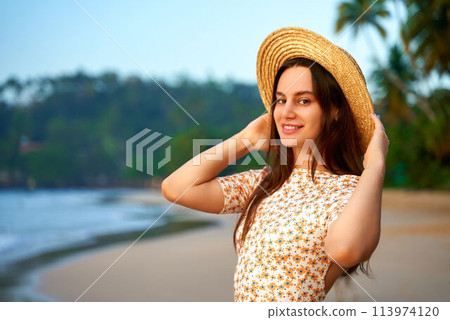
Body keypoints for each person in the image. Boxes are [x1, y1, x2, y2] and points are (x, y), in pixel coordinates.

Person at [161, 27, 389, 302]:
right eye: (281, 100)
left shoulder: (348, 189)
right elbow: (175, 188)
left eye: (303, 100)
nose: (287, 111)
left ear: (334, 110)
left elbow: (346, 249)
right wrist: (246, 139)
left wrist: (374, 165)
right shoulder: (265, 182)